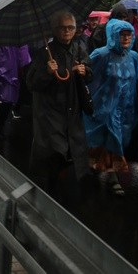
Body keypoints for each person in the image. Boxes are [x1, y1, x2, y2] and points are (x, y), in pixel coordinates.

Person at [27, 11, 92, 199]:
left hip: (72, 108)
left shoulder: (79, 48)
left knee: (74, 150)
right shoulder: (43, 53)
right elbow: (31, 84)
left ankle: (69, 190)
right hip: (50, 111)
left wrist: (84, 70)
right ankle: (49, 190)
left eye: (70, 27)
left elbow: (90, 72)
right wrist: (47, 72)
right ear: (54, 30)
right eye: (62, 28)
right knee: (54, 151)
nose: (67, 31)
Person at [84, 19, 138, 197]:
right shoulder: (100, 55)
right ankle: (113, 177)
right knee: (112, 139)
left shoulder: (133, 56)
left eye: (129, 35)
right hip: (105, 108)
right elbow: (87, 76)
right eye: (121, 35)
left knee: (119, 139)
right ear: (113, 35)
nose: (125, 38)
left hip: (125, 108)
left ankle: (97, 165)